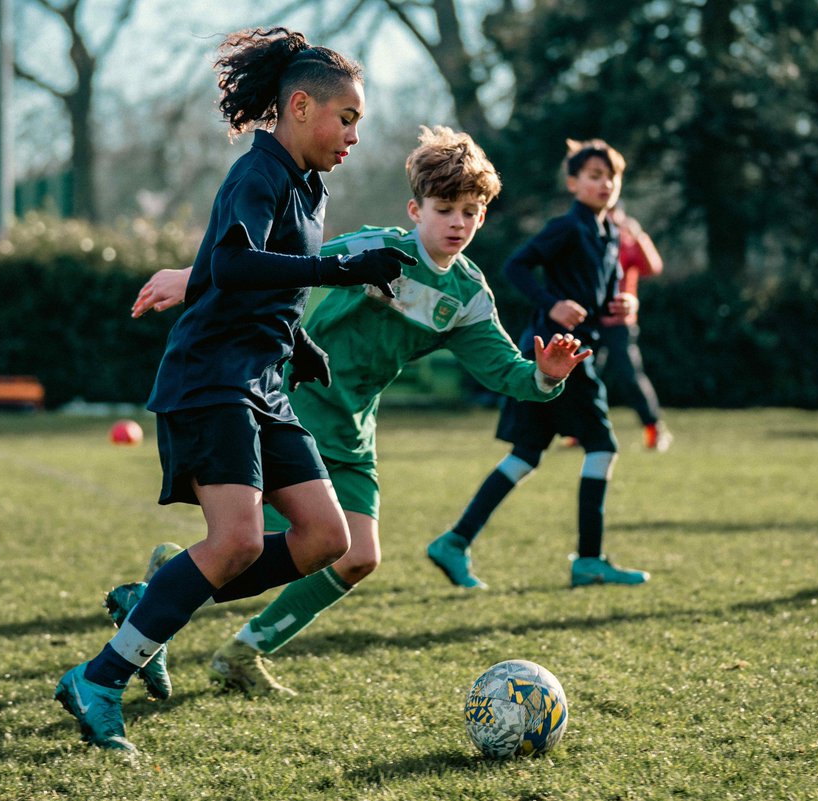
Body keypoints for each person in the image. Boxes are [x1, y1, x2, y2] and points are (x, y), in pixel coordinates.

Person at [123, 125, 589, 696]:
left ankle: (237, 648)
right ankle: (160, 603)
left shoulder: (467, 296)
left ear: (483, 217)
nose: (457, 223)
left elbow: (506, 372)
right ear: (416, 210)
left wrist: (547, 375)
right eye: (444, 209)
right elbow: (278, 267)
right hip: (293, 405)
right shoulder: (376, 250)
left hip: (354, 427)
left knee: (357, 557)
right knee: (270, 545)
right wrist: (193, 278)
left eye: (469, 211)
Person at [53, 27, 417, 751]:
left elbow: (268, 289)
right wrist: (340, 272)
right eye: (347, 118)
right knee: (239, 541)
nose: (354, 135)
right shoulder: (259, 173)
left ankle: (151, 603)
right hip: (211, 378)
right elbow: (231, 264)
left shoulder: (310, 187)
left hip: (262, 382)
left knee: (327, 538)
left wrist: (300, 344)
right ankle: (99, 678)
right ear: (301, 106)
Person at [427, 138, 650, 590]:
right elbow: (516, 266)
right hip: (559, 354)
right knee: (602, 447)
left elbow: (602, 295)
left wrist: (625, 305)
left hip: (563, 355)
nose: (605, 184)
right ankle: (589, 561)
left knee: (526, 454)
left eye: (611, 177)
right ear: (573, 183)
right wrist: (553, 303)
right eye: (594, 176)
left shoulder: (609, 233)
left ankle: (454, 541)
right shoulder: (566, 228)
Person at [596, 205, 671, 451]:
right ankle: (581, 431)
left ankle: (654, 428)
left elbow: (653, 268)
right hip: (591, 321)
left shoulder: (626, 243)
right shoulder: (590, 240)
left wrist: (639, 236)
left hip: (620, 324)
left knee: (629, 376)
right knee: (586, 376)